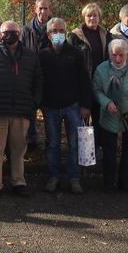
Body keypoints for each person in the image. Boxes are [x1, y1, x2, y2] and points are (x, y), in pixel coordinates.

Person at [0, 20, 42, 199]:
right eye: (5, 31)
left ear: (19, 33)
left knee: (18, 149)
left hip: (22, 110)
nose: (9, 35)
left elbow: (38, 82)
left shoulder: (31, 55)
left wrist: (33, 103)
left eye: (13, 31)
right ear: (0, 33)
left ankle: (18, 182)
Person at [39, 18, 92, 194]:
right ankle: (54, 177)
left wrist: (85, 105)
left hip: (73, 106)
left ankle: (74, 178)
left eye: (61, 30)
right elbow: (39, 81)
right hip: (50, 107)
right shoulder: (43, 54)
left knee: (74, 144)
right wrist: (39, 104)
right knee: (53, 144)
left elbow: (84, 80)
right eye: (54, 31)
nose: (58, 34)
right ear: (48, 34)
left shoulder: (76, 53)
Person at [92, 39, 128, 192]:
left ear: (127, 55)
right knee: (109, 150)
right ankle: (108, 182)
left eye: (121, 55)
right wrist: (106, 102)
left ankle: (125, 181)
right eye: (114, 55)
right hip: (109, 115)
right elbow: (96, 90)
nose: (117, 59)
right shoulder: (101, 69)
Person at [70, 2, 113, 162]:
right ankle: (84, 152)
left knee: (100, 115)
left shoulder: (106, 34)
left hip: (102, 81)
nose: (92, 18)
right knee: (84, 116)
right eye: (89, 15)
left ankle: (98, 148)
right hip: (84, 81)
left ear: (99, 17)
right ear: (84, 17)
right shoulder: (75, 35)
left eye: (95, 15)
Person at [21, 0, 52, 149]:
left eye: (46, 8)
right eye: (40, 8)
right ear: (35, 9)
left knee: (49, 114)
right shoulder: (25, 30)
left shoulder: (55, 28)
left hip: (49, 78)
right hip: (30, 77)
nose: (43, 11)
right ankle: (31, 142)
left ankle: (50, 142)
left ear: (49, 10)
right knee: (30, 112)